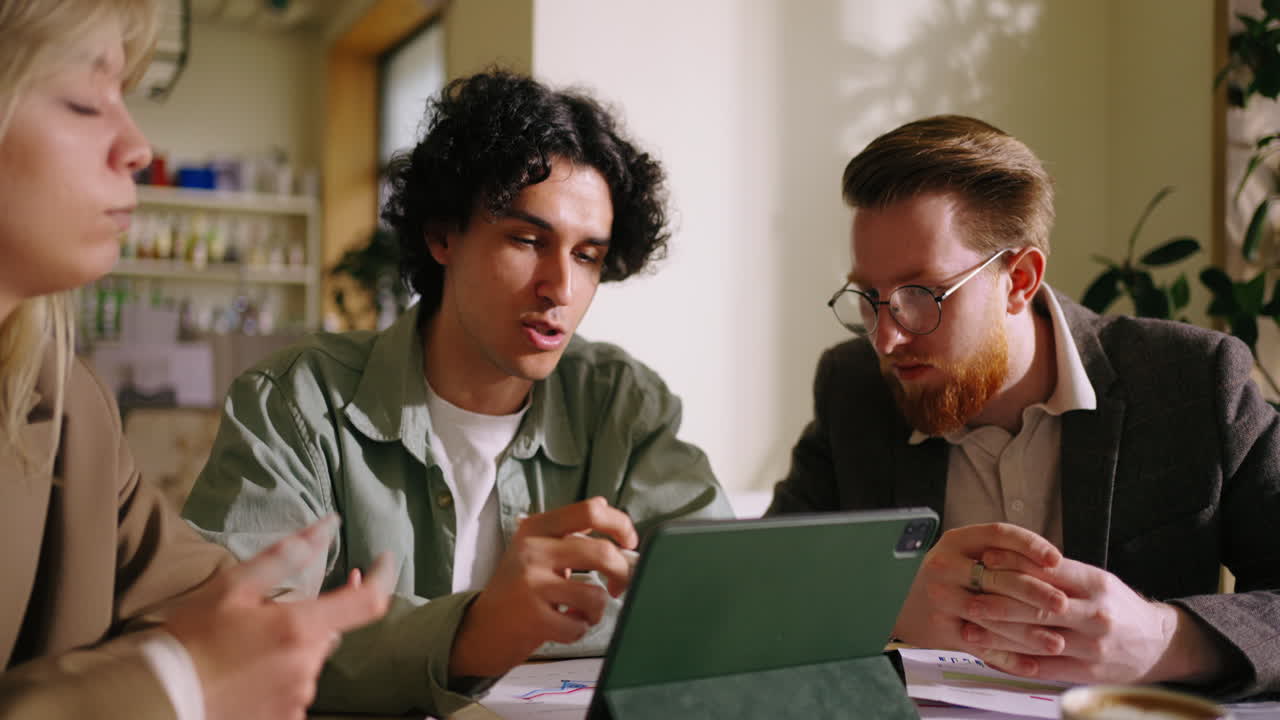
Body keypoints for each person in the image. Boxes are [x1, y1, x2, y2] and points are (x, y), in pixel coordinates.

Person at [182, 70, 732, 716]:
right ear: (443, 236)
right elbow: (237, 642)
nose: (560, 286)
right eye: (528, 240)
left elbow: (716, 604)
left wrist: (370, 630)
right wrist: (475, 633)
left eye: (587, 256)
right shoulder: (296, 403)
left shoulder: (622, 403)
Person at [769, 114, 1280, 699]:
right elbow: (768, 586)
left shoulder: (1192, 381)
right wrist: (889, 603)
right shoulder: (853, 388)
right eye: (870, 298)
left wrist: (1165, 637)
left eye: (920, 296)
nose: (887, 338)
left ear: (1021, 278)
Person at [0, 1, 393, 719]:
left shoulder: (66, 403)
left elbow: (193, 601)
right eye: (87, 102)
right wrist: (178, 683)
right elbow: (193, 647)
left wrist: (251, 638)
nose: (139, 147)